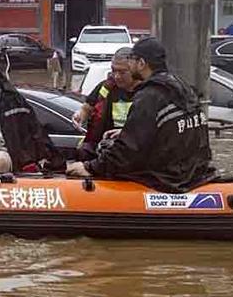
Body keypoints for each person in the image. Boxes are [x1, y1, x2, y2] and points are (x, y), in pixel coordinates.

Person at [66, 37, 216, 193]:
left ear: (141, 63)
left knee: (107, 148)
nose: (128, 66)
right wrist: (127, 132)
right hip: (190, 173)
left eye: (131, 61)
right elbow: (170, 132)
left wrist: (89, 167)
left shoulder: (149, 96)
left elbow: (127, 151)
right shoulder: (180, 87)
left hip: (166, 178)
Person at [71, 47, 138, 161]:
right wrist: (79, 116)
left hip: (132, 151)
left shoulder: (147, 93)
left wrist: (126, 133)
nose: (116, 76)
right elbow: (87, 108)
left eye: (122, 72)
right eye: (114, 70)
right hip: (103, 148)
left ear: (135, 69)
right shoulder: (106, 88)